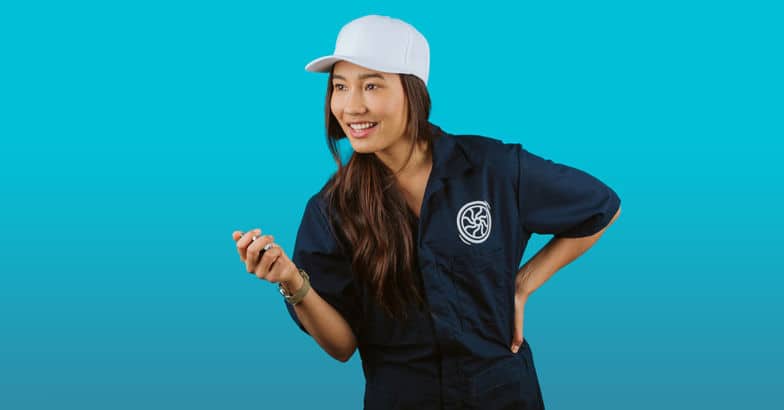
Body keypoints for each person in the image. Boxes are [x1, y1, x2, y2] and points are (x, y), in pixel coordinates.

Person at [232, 14, 621, 410]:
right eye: (339, 87)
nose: (351, 106)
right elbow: (342, 345)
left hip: (504, 396)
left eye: (371, 85)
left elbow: (600, 207)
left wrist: (521, 285)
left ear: (413, 91)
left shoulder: (494, 169)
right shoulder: (330, 210)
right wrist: (291, 282)